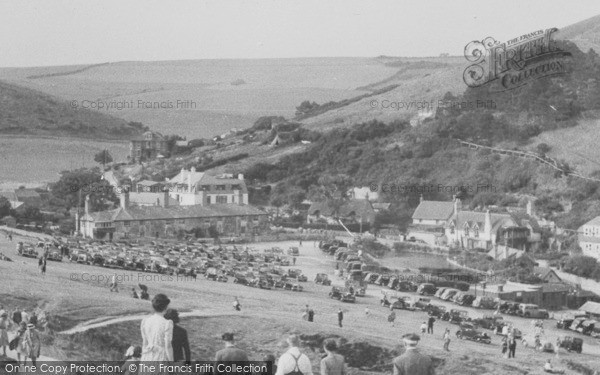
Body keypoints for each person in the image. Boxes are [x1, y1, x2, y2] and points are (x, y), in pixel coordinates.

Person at [140, 294, 173, 361]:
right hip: (160, 357)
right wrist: (171, 362)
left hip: (147, 356)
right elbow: (168, 346)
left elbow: (145, 343)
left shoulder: (145, 321)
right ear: (165, 307)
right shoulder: (167, 323)